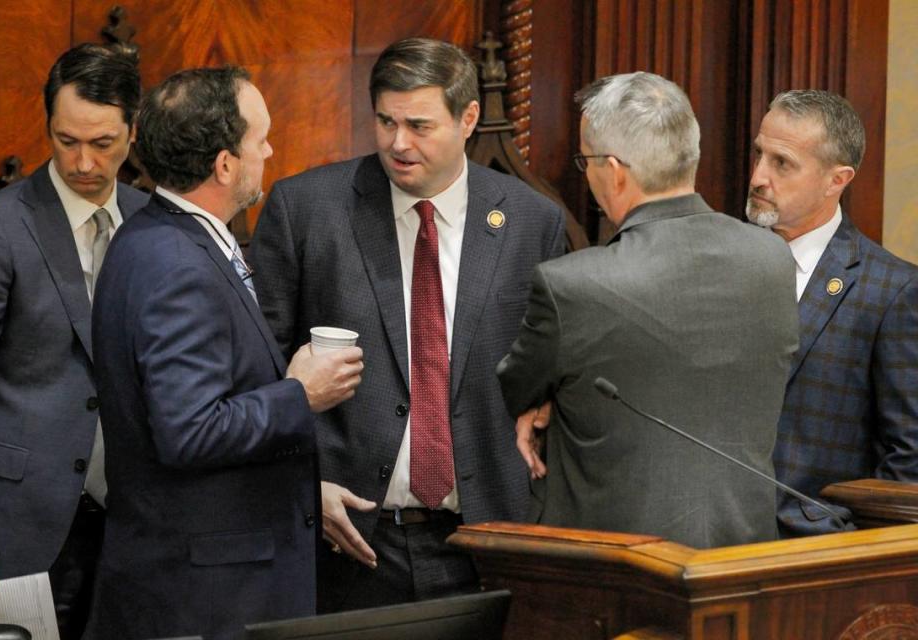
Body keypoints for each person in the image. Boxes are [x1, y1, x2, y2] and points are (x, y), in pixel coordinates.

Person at [250, 37, 565, 610]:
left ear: (468, 118)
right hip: (347, 538)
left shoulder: (530, 221)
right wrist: (297, 487)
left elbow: (552, 367)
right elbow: (255, 370)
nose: (398, 143)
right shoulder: (307, 208)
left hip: (490, 538)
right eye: (386, 121)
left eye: (419, 125)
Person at [84, 67, 363, 640]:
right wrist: (300, 394)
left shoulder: (161, 236)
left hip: (199, 574)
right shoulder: (175, 263)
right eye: (258, 138)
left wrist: (299, 488)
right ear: (224, 163)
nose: (269, 149)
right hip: (203, 597)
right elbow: (189, 431)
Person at [497, 72, 799, 549]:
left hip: (618, 565)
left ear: (614, 170)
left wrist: (549, 401)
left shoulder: (570, 285)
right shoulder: (774, 259)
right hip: (743, 556)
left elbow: (517, 387)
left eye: (586, 162)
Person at [0, 43, 145, 636]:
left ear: (133, 131)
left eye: (103, 143)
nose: (83, 162)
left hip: (132, 525)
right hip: (18, 523)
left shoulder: (153, 222)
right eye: (66, 141)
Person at [746, 89, 918, 537]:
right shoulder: (716, 261)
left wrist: (851, 551)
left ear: (837, 179)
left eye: (782, 163)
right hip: (701, 542)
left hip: (814, 551)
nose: (758, 177)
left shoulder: (892, 291)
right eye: (759, 154)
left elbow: (909, 454)